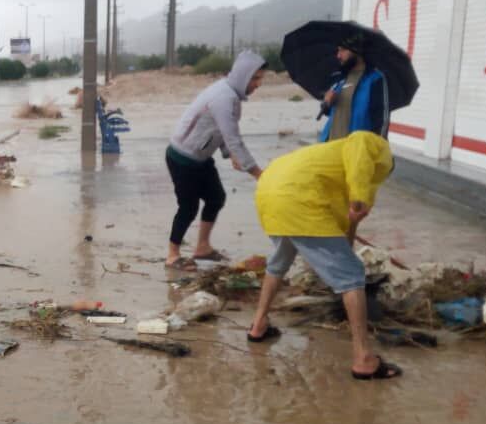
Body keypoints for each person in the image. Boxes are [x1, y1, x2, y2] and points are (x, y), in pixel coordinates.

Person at [247, 131, 401, 380]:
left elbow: (346, 223)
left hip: (271, 190)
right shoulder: (376, 149)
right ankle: (363, 359)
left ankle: (258, 325)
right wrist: (360, 197)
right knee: (353, 275)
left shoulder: (331, 163)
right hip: (299, 198)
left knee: (279, 262)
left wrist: (349, 231)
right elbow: (359, 144)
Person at [165, 49, 266, 270]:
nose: (258, 84)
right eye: (255, 78)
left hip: (200, 158)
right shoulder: (224, 97)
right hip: (182, 158)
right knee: (188, 207)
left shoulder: (231, 94)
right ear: (243, 75)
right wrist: (259, 174)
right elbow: (233, 136)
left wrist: (229, 155)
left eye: (261, 78)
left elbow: (219, 131)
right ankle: (172, 255)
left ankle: (202, 248)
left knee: (216, 197)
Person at [318, 35, 389, 141]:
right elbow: (332, 112)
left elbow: (382, 120)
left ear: (356, 51)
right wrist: (327, 102)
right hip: (332, 146)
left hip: (357, 150)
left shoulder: (375, 79)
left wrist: (375, 150)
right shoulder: (339, 78)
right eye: (338, 51)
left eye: (342, 50)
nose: (338, 55)